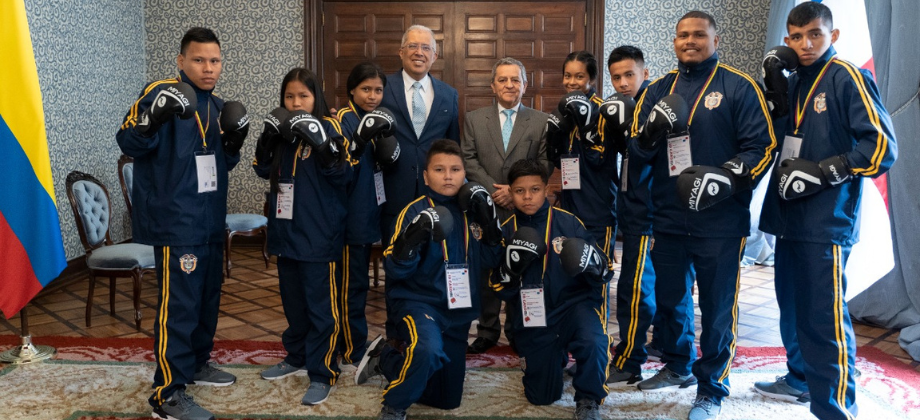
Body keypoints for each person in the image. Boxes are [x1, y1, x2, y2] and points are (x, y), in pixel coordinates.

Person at [629, 11, 775, 420]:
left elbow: (761, 149)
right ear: (674, 42)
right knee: (671, 300)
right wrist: (650, 134)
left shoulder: (738, 86)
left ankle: (712, 387)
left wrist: (724, 176)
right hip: (670, 217)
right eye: (682, 35)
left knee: (716, 306)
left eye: (698, 34)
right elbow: (637, 155)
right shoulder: (656, 89)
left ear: (715, 39)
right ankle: (677, 366)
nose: (689, 41)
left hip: (720, 221)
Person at [756, 3, 897, 419]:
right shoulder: (794, 79)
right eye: (796, 37)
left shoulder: (848, 76)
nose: (805, 43)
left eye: (815, 34)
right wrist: (776, 100)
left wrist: (824, 170)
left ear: (832, 36)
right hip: (787, 215)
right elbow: (782, 142)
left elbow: (881, 149)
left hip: (825, 219)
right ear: (787, 40)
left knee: (824, 319)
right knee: (792, 307)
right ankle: (800, 379)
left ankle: (836, 410)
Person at [117, 27, 247, 420]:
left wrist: (233, 144)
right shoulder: (161, 92)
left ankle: (196, 364)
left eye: (215, 60)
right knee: (180, 307)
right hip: (177, 222)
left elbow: (220, 165)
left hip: (209, 220)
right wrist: (149, 120)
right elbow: (129, 142)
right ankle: (167, 394)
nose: (208, 68)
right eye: (199, 60)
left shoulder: (218, 105)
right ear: (181, 61)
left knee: (207, 299)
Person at [355, 140, 502, 420]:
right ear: (425, 176)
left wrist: (491, 227)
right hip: (419, 304)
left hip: (458, 312)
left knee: (446, 400)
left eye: (455, 169)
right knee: (428, 350)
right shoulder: (412, 212)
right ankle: (394, 406)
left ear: (465, 173)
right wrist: (413, 238)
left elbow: (494, 262)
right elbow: (397, 272)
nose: (448, 175)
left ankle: (384, 358)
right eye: (439, 169)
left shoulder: (474, 212)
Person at [252, 67, 351, 405]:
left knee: (322, 309)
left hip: (319, 235)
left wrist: (322, 145)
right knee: (294, 304)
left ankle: (323, 372)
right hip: (285, 233)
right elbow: (262, 170)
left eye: (303, 96)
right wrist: (266, 139)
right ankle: (296, 356)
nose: (296, 103)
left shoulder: (330, 128)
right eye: (289, 96)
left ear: (316, 98)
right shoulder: (281, 132)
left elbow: (344, 176)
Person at [488, 159, 613, 420]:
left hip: (574, 308)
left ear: (546, 189)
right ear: (510, 192)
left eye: (535, 189)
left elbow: (604, 272)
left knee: (594, 341)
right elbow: (498, 288)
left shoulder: (570, 223)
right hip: (533, 317)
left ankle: (589, 398)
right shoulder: (505, 231)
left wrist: (591, 263)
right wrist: (510, 271)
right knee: (541, 397)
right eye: (520, 191)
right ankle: (555, 360)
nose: (528, 197)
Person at [461, 57, 552, 354]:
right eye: (503, 79)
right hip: (484, 208)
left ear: (525, 85)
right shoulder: (475, 119)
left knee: (520, 267)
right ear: (492, 85)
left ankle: (516, 329)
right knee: (487, 270)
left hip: (522, 208)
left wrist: (514, 194)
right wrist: (493, 191)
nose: (509, 85)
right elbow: (468, 160)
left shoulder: (540, 121)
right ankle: (487, 330)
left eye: (515, 79)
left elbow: (544, 164)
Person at [332, 62, 400, 369]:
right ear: (351, 90)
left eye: (377, 90)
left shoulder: (376, 120)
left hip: (369, 211)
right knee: (351, 286)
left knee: (356, 284)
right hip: (350, 217)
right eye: (365, 89)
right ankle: (351, 349)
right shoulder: (344, 120)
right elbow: (342, 168)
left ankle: (351, 343)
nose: (372, 96)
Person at [602, 45, 662, 386]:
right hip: (632, 211)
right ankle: (663, 346)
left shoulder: (655, 108)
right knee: (651, 287)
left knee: (636, 289)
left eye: (629, 75)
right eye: (616, 77)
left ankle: (629, 361)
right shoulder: (619, 110)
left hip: (651, 214)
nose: (623, 83)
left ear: (644, 72)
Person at [379, 24, 461, 244]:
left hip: (435, 192)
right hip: (393, 189)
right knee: (396, 253)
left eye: (426, 47)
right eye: (412, 46)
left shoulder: (449, 94)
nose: (419, 52)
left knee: (434, 255)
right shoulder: (382, 89)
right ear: (401, 52)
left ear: (434, 56)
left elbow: (452, 146)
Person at [546, 51, 619, 269]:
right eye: (567, 76)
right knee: (572, 266)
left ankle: (599, 305)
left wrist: (586, 124)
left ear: (592, 79)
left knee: (598, 268)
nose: (571, 82)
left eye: (579, 76)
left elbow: (597, 159)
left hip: (598, 206)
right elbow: (561, 162)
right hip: (571, 203)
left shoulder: (603, 111)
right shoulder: (565, 111)